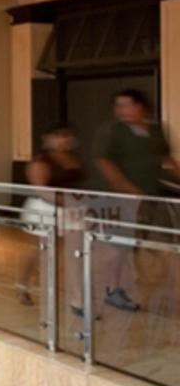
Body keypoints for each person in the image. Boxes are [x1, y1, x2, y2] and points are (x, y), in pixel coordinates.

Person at [92, 88, 178, 311]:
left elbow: (166, 159)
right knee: (119, 247)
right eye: (118, 106)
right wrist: (129, 191)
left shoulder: (155, 130)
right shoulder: (112, 131)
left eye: (126, 105)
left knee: (164, 244)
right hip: (124, 199)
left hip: (154, 196)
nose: (121, 110)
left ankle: (169, 291)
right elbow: (105, 163)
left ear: (140, 106)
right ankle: (113, 289)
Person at [19, 125, 84, 307]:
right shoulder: (41, 160)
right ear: (47, 139)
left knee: (75, 253)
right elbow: (41, 189)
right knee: (39, 251)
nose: (63, 140)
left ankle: (78, 298)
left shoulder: (73, 158)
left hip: (71, 210)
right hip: (45, 209)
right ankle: (23, 285)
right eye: (58, 136)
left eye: (67, 136)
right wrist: (68, 202)